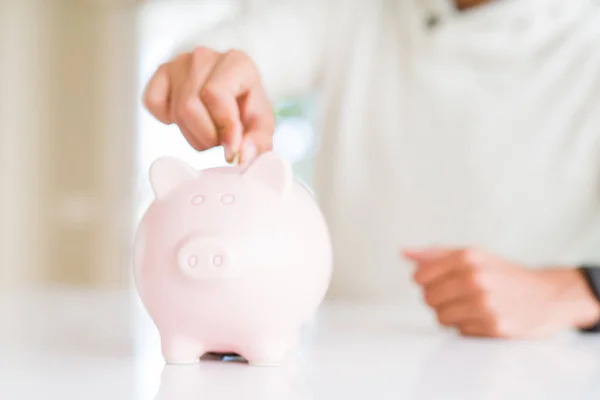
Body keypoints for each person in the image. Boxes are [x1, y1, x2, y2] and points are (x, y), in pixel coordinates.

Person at [142, 0, 600, 337]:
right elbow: (247, 43)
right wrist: (207, 71)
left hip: (545, 368)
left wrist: (576, 290)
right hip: (346, 353)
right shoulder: (356, 11)